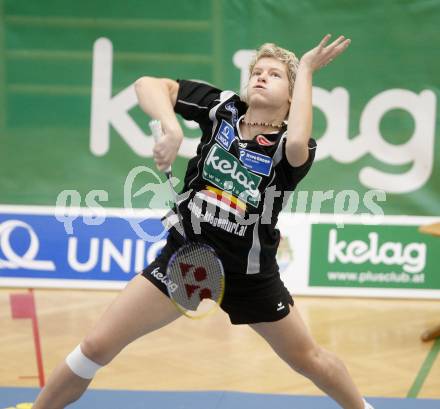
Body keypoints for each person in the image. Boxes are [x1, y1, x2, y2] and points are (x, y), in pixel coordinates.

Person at [32, 34, 374, 409]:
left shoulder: (291, 145)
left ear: (293, 97)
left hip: (249, 276)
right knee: (96, 345)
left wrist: (306, 68)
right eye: (256, 71)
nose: (260, 77)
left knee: (310, 360)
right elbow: (148, 85)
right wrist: (172, 127)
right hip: (186, 260)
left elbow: (296, 146)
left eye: (274, 75)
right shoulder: (222, 108)